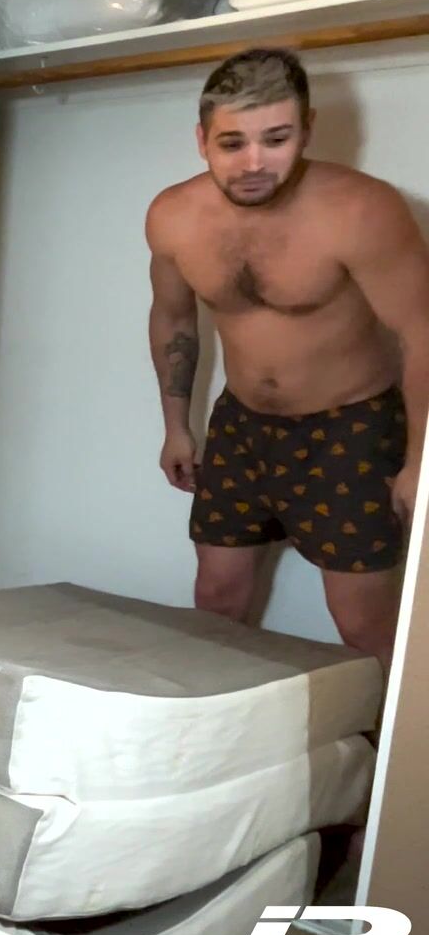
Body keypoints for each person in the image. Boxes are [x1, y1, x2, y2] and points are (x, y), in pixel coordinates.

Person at [146, 48, 429, 671]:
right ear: (201, 140)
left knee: (362, 622)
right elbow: (173, 319)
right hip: (241, 424)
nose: (254, 163)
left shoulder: (361, 210)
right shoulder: (173, 217)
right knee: (216, 598)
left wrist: (419, 461)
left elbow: (419, 332)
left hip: (351, 427)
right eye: (232, 143)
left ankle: (384, 736)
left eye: (276, 139)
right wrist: (176, 427)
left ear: (307, 130)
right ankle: (219, 722)